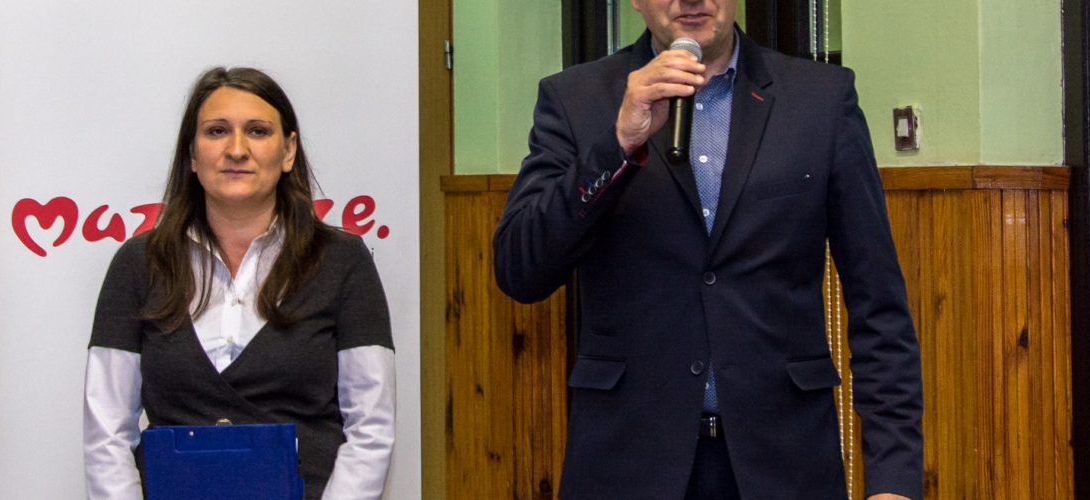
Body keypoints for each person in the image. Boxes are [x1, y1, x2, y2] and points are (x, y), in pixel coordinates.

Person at [493, 1, 923, 499]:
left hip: (786, 466)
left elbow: (878, 300)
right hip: (627, 465)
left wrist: (894, 479)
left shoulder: (820, 99)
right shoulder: (576, 98)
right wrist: (618, 143)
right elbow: (520, 269)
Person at [83, 67, 395, 500]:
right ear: (192, 155)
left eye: (257, 131)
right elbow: (107, 432)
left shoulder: (343, 261)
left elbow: (371, 428)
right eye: (216, 131)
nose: (236, 149)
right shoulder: (137, 264)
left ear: (288, 151)